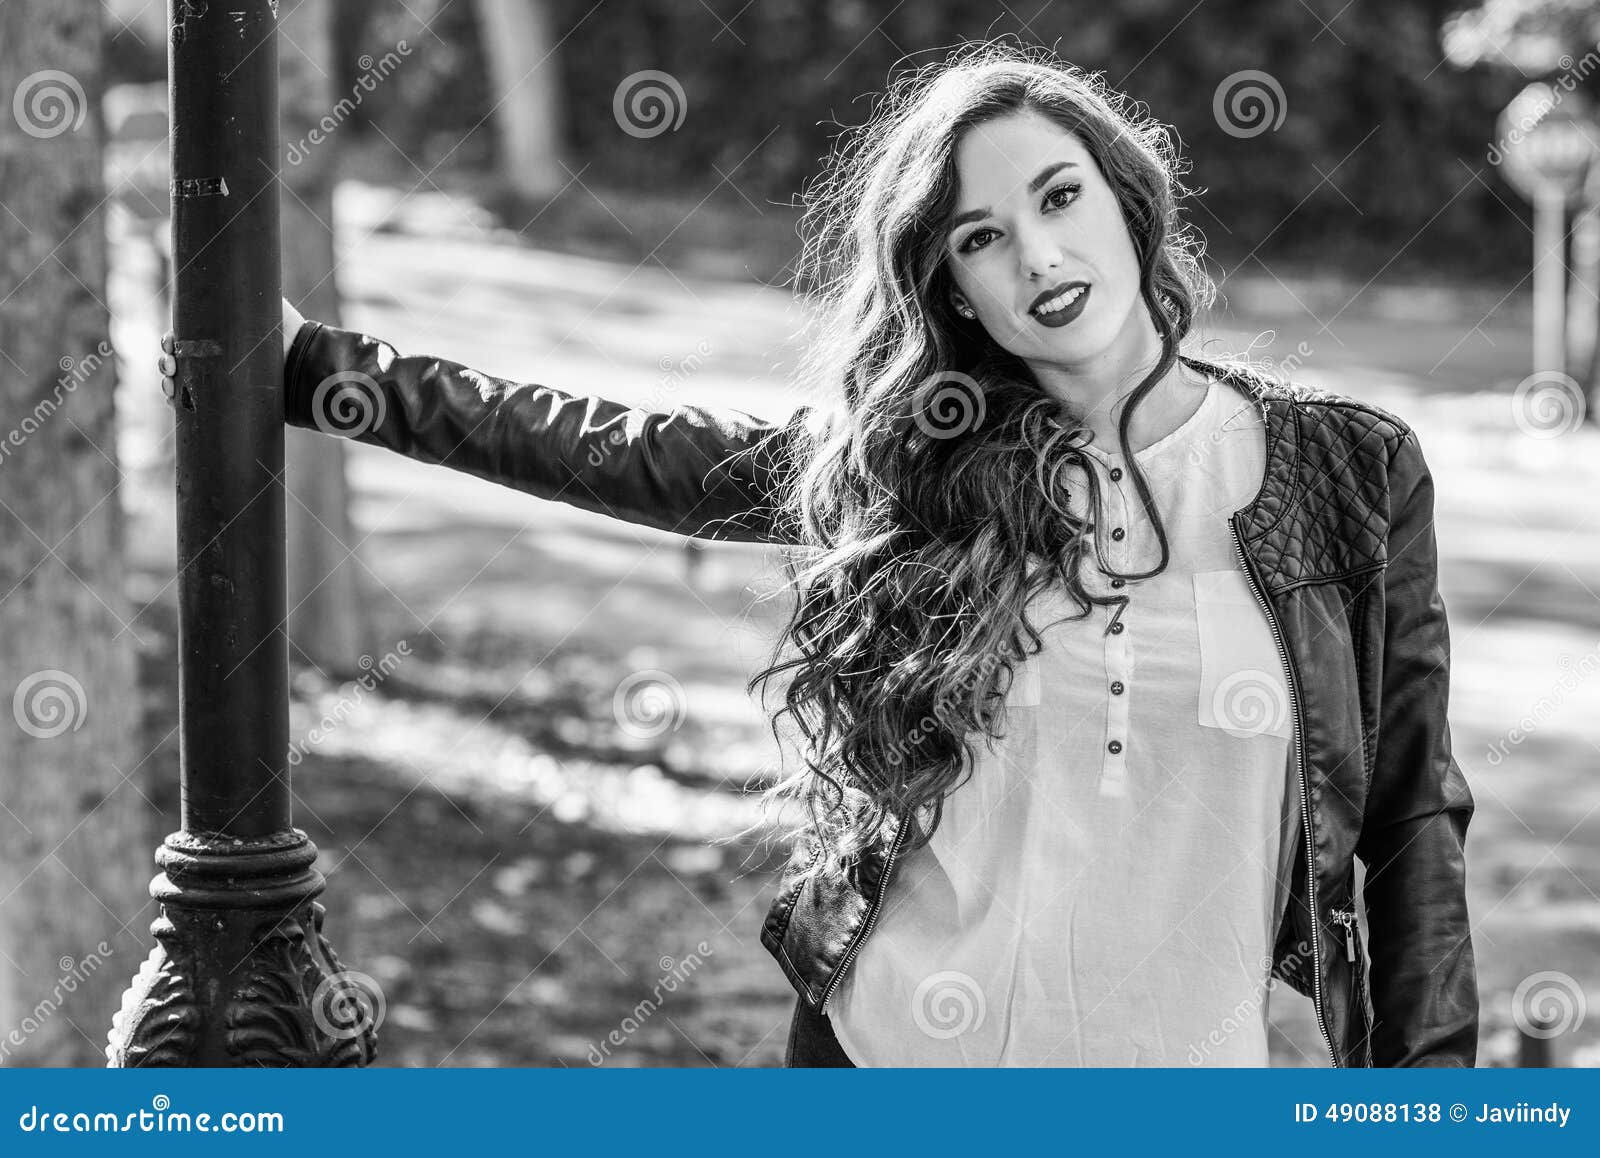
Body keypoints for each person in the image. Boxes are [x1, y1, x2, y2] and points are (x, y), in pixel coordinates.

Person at [160, 43, 1478, 1068]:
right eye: (980, 236)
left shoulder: (1347, 477)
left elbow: (1413, 824)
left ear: (1128, 200)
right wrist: (322, 371)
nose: (1039, 254)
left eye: (1059, 196)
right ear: (953, 287)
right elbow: (629, 451)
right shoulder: (926, 459)